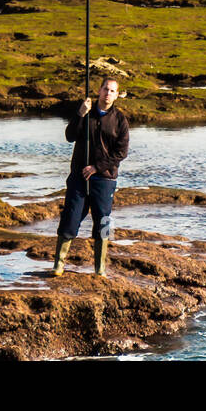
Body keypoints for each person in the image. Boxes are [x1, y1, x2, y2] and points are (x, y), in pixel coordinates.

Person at [53, 76, 129, 279]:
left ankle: (100, 269)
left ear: (116, 95)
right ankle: (58, 265)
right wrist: (80, 114)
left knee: (103, 221)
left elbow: (121, 153)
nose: (108, 93)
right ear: (99, 90)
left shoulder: (120, 120)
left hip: (104, 179)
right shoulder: (85, 112)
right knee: (70, 216)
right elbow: (70, 136)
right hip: (79, 177)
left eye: (112, 91)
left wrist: (96, 167)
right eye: (105, 89)